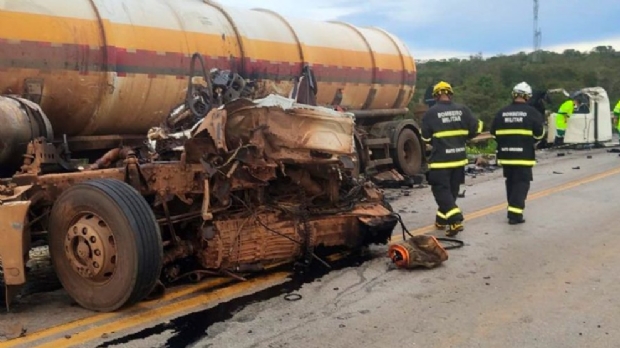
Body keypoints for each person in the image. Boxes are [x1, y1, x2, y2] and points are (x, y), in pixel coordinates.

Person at [421, 81, 482, 236]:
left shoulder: (431, 113)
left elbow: (425, 137)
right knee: (451, 192)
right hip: (459, 159)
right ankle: (441, 220)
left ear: (435, 96)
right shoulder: (463, 110)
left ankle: (455, 220)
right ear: (450, 93)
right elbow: (477, 128)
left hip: (441, 161)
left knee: (441, 191)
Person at [490, 82, 545, 225]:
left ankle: (513, 208)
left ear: (514, 95)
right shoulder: (533, 113)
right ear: (527, 97)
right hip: (523, 156)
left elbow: (493, 133)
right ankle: (515, 214)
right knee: (521, 183)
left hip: (506, 156)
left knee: (511, 182)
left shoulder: (502, 112)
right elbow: (539, 134)